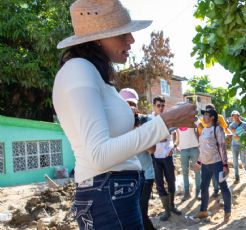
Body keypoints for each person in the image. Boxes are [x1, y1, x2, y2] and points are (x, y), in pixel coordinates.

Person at [52, 1, 197, 229]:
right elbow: (99, 155)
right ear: (98, 38)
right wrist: (166, 122)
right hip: (108, 195)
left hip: (114, 194)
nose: (131, 39)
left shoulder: (90, 73)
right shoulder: (79, 70)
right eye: (122, 33)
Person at [119, 88, 156, 230]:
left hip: (146, 175)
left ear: (137, 106)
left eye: (132, 104)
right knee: (130, 215)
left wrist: (138, 129)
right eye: (126, 104)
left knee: (141, 213)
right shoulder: (117, 124)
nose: (129, 107)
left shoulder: (144, 122)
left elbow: (152, 150)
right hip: (126, 178)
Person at [194, 108, 232, 222]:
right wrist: (199, 162)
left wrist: (225, 164)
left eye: (206, 115)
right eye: (204, 114)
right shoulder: (204, 130)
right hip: (205, 165)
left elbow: (222, 147)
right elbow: (203, 149)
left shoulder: (218, 129)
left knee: (223, 187)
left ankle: (227, 211)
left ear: (212, 117)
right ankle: (203, 211)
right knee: (204, 187)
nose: (204, 117)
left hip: (217, 163)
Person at [151, 96, 182, 221]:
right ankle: (166, 211)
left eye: (163, 105)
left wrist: (174, 145)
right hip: (155, 156)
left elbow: (177, 134)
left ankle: (172, 206)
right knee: (159, 184)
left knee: (171, 181)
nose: (161, 108)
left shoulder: (169, 118)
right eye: (158, 105)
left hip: (168, 156)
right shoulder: (150, 119)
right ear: (154, 106)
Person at [197, 104, 230, 197]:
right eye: (206, 111)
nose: (205, 114)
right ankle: (209, 191)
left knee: (218, 178)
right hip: (206, 151)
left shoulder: (219, 118)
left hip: (216, 151)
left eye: (209, 112)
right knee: (206, 179)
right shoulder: (203, 121)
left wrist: (226, 136)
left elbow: (224, 128)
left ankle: (217, 190)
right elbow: (199, 128)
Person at [175, 111, 201, 201]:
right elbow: (177, 136)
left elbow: (200, 126)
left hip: (194, 148)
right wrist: (176, 145)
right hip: (183, 150)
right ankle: (187, 193)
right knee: (185, 172)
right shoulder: (177, 122)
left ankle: (198, 192)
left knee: (197, 171)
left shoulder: (193, 119)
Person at [229, 110, 246, 184]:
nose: (234, 117)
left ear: (239, 116)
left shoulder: (245, 124)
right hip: (234, 145)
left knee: (243, 160)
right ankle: (237, 177)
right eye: (233, 116)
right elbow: (235, 135)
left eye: (236, 115)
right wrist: (240, 133)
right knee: (235, 162)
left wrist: (239, 134)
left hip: (242, 145)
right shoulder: (231, 125)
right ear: (232, 117)